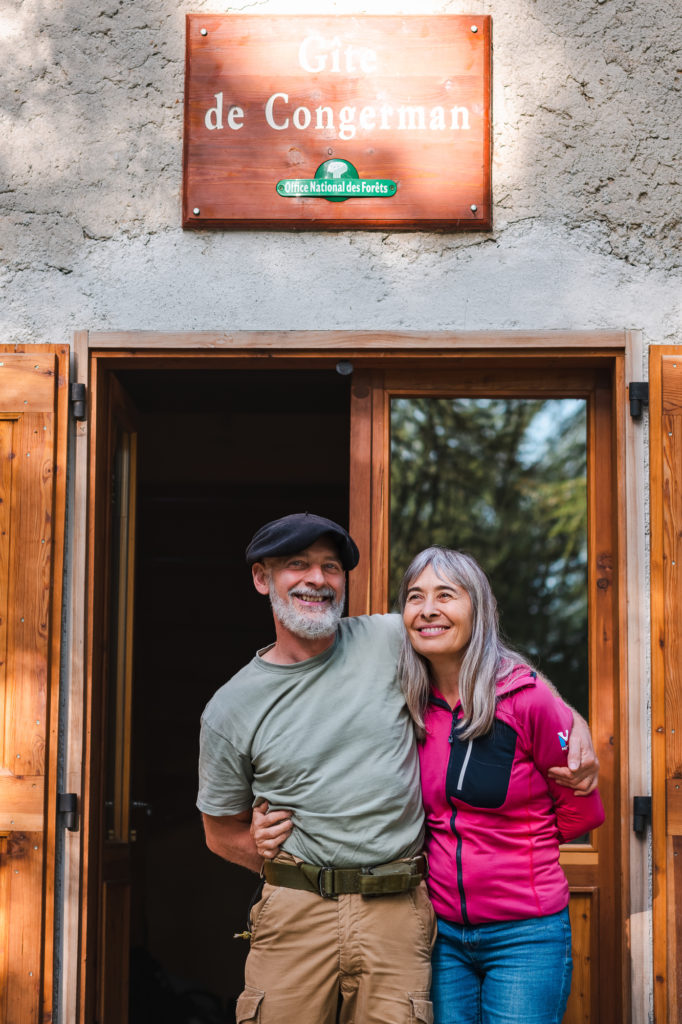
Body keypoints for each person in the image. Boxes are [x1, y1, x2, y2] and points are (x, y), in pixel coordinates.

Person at [198, 514, 598, 1024]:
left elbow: (484, 655)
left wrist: (567, 717)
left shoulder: (390, 638)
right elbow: (218, 833)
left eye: (330, 567)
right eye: (296, 566)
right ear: (262, 579)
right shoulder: (230, 707)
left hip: (398, 911)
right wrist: (264, 849)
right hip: (295, 914)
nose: (317, 579)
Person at [397, 546, 605, 1024]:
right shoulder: (408, 703)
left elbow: (581, 814)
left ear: (478, 609)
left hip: (525, 936)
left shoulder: (527, 699)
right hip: (442, 935)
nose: (428, 609)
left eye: (445, 595)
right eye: (415, 596)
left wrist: (515, 856)